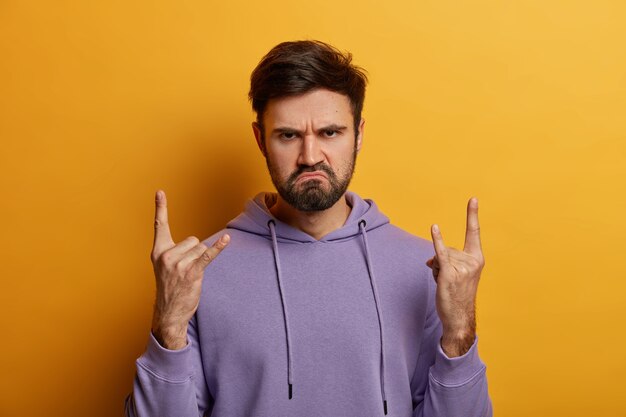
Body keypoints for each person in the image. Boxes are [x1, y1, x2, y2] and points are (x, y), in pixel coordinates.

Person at [124, 40, 492, 417]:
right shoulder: (199, 273)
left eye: (330, 133)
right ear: (260, 140)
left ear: (359, 135)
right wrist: (168, 325)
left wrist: (460, 331)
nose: (311, 156)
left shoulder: (423, 268)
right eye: (288, 135)